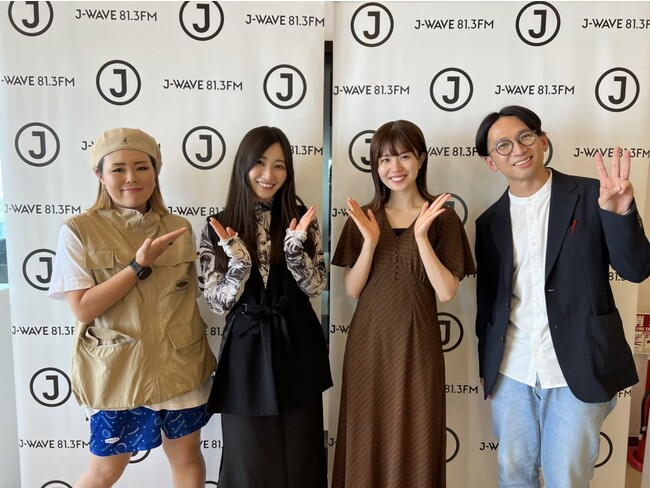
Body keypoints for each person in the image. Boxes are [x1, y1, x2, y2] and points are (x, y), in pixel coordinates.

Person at [474, 105, 650, 487]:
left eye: (525, 136)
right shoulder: (489, 222)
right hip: (512, 370)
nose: (517, 149)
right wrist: (487, 367)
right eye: (503, 145)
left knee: (566, 479)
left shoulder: (593, 195)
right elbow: (487, 304)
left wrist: (620, 216)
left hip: (579, 366)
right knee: (513, 474)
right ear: (491, 162)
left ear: (542, 140)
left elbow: (636, 269)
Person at [48, 127, 217, 488]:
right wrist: (138, 267)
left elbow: (192, 296)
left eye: (142, 167)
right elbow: (82, 309)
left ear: (156, 171)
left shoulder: (179, 227)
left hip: (181, 368)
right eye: (118, 169)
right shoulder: (78, 230)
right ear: (100, 175)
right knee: (105, 471)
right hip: (117, 373)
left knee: (187, 458)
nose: (131, 178)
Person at [331, 120, 476, 487]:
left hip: (417, 345)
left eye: (404, 157)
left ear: (421, 159)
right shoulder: (363, 217)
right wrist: (369, 242)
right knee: (364, 434)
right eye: (384, 160)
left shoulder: (442, 218)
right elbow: (352, 289)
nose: (394, 168)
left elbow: (446, 291)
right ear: (375, 166)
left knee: (417, 434)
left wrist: (422, 237)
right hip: (368, 345)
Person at [198, 126, 332, 488]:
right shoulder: (219, 224)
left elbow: (316, 287)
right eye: (259, 163)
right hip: (246, 348)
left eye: (279, 165)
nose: (268, 174)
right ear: (243, 165)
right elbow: (216, 302)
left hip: (296, 344)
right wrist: (238, 267)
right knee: (248, 460)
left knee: (301, 456)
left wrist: (295, 253)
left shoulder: (302, 218)